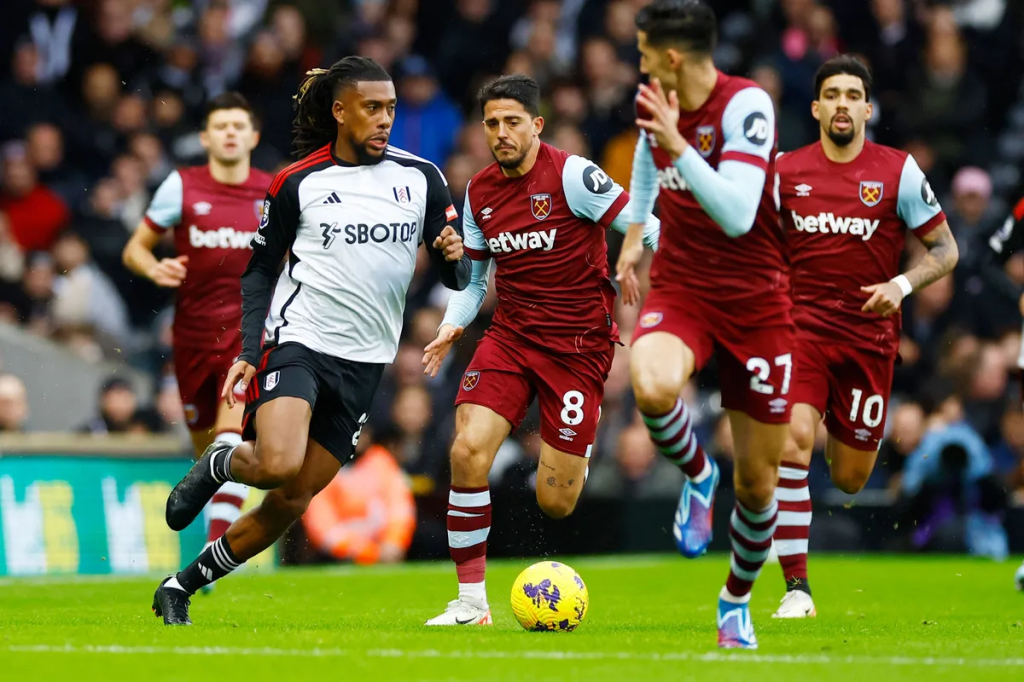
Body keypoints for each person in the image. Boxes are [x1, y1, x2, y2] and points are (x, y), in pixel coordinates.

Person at [151, 56, 470, 625]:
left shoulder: (421, 177)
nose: (385, 119)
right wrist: (249, 350)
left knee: (292, 499)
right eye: (372, 108)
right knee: (276, 463)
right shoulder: (299, 180)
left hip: (366, 362)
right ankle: (223, 459)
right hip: (300, 342)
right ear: (340, 111)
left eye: (391, 108)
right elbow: (259, 270)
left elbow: (457, 277)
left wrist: (453, 258)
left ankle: (180, 586)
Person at [420, 74, 659, 626]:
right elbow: (475, 281)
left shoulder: (573, 175)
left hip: (577, 348)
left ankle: (578, 447)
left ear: (537, 125)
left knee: (556, 501)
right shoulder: (478, 191)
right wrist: (453, 325)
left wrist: (682, 270)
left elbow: (644, 226)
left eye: (512, 122)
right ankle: (471, 603)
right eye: (492, 123)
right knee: (467, 451)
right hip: (511, 337)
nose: (501, 133)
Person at [617, 1, 788, 649]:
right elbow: (646, 157)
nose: (638, 65)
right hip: (684, 285)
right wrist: (635, 232)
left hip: (758, 301)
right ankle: (697, 474)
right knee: (651, 384)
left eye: (643, 53)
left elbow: (738, 215)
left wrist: (679, 144)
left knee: (759, 484)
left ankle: (735, 600)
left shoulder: (747, 105)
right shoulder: (657, 105)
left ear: (671, 56)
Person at [770, 55, 959, 619]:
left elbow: (946, 249)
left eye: (853, 95)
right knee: (792, 443)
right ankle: (797, 589)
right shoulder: (784, 172)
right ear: (816, 108)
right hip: (801, 331)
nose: (843, 104)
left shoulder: (897, 171)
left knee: (850, 479)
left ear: (868, 109)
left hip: (868, 342)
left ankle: (839, 427)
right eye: (833, 94)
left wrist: (901, 285)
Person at [123, 92, 273, 577]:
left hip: (247, 334)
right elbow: (135, 249)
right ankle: (214, 535)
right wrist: (154, 266)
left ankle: (208, 560)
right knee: (205, 454)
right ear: (205, 137)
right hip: (190, 336)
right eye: (220, 126)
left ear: (253, 137)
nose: (230, 133)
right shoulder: (181, 186)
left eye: (238, 126)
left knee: (229, 437)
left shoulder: (272, 191)